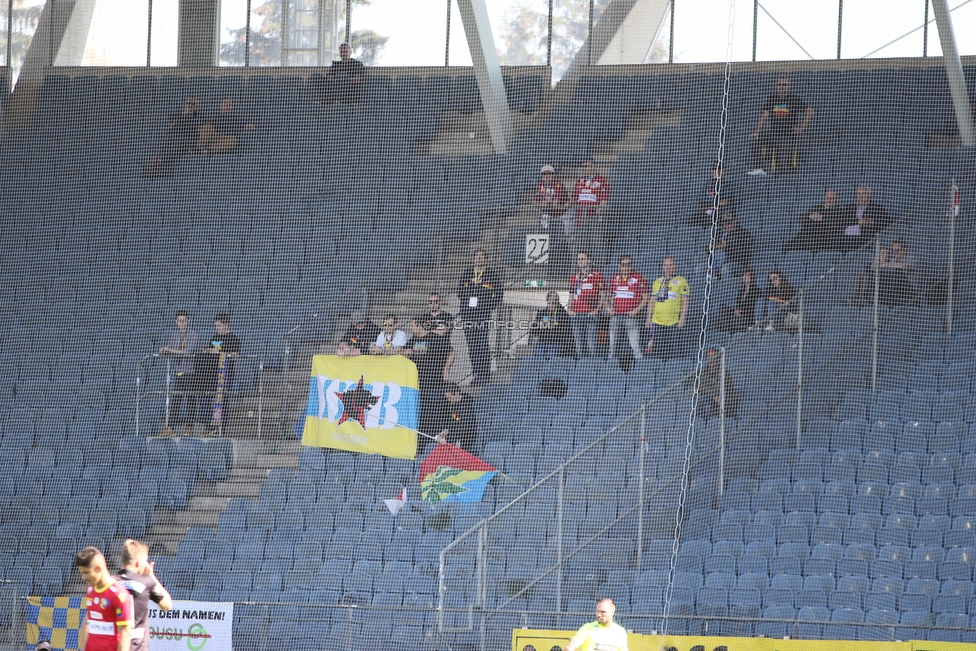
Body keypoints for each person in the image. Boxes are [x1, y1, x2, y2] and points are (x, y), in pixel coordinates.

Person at [116, 539, 173, 651]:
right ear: (138, 563)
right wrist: (151, 575)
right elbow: (167, 605)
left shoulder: (109, 583)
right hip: (137, 647)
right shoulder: (145, 582)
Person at [749, 77, 814, 174]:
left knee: (783, 165)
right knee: (755, 139)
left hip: (788, 135)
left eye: (784, 85)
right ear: (776, 86)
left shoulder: (794, 99)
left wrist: (801, 128)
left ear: (788, 86)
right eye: (780, 85)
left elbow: (809, 112)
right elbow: (765, 116)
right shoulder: (771, 99)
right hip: (773, 133)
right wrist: (757, 131)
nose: (782, 87)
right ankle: (760, 168)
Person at [457, 249, 502, 385]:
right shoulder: (467, 273)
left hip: (482, 315)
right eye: (477, 257)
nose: (479, 259)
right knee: (472, 346)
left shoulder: (492, 274)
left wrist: (490, 306)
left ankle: (485, 375)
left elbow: (499, 293)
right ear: (473, 259)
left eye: (482, 257)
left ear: (486, 260)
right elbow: (459, 292)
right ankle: (476, 374)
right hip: (467, 315)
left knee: (482, 344)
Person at [405, 316, 456, 435]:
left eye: (413, 325)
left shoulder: (436, 338)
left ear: (419, 326)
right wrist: (405, 352)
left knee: (436, 417)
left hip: (435, 386)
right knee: (422, 419)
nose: (412, 328)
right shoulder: (412, 341)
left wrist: (446, 369)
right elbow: (403, 352)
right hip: (418, 387)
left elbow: (452, 353)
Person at [76, 546, 132, 651]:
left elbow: (125, 635)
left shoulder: (118, 594)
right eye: (82, 573)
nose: (83, 577)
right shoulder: (90, 589)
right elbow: (88, 622)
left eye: (86, 572)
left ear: (98, 569)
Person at [196, 313, 242, 428]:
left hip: (225, 374)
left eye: (220, 325)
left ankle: (221, 428)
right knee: (205, 398)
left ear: (227, 324)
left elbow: (235, 357)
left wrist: (223, 353)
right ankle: (208, 427)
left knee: (223, 400)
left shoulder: (233, 338)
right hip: (211, 374)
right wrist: (207, 350)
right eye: (216, 326)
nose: (218, 328)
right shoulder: (214, 337)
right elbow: (210, 349)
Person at [159, 310, 201, 434]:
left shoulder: (193, 335)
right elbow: (170, 349)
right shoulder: (175, 336)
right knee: (176, 400)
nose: (182, 323)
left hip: (191, 373)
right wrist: (164, 350)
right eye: (179, 321)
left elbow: (187, 352)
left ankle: (189, 427)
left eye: (184, 320)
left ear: (188, 321)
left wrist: (170, 349)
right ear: (176, 322)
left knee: (190, 400)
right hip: (179, 373)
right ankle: (170, 427)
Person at [148, 97, 206, 176]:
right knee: (171, 137)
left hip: (187, 141)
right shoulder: (180, 114)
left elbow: (191, 126)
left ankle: (160, 164)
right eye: (189, 103)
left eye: (193, 104)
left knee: (176, 139)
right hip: (174, 140)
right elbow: (171, 118)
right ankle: (161, 166)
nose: (190, 105)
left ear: (197, 106)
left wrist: (179, 121)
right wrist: (184, 113)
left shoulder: (198, 116)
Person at [646, 256, 690, 360]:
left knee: (675, 349)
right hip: (657, 320)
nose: (667, 267)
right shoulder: (658, 281)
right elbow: (652, 300)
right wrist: (648, 318)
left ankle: (675, 368)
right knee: (658, 349)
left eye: (670, 265)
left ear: (675, 266)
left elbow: (685, 301)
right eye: (665, 265)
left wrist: (682, 319)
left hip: (673, 321)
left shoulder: (681, 280)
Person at [606, 255, 649, 362]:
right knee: (612, 347)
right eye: (624, 265)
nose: (626, 267)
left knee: (635, 347)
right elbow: (606, 295)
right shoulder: (614, 278)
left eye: (629, 264)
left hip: (631, 317)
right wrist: (608, 309)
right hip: (616, 316)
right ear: (619, 266)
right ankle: (609, 368)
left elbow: (646, 297)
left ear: (632, 265)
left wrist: (636, 310)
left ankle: (641, 367)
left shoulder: (639, 278)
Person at [850, 240, 916, 307]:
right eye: (894, 251)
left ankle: (865, 300)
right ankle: (855, 300)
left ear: (904, 250)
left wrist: (884, 264)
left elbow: (904, 266)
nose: (895, 253)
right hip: (891, 287)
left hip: (907, 288)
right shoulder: (893, 260)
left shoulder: (911, 258)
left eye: (897, 250)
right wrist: (879, 262)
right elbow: (875, 267)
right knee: (860, 277)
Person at [568, 251, 605, 358]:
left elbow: (602, 295)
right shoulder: (574, 277)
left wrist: (597, 310)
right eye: (579, 259)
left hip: (590, 315)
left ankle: (593, 369)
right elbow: (571, 296)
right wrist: (570, 310)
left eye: (583, 259)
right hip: (576, 315)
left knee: (592, 346)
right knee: (579, 347)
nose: (580, 261)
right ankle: (582, 370)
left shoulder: (597, 275)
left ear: (589, 260)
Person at [838, 185, 891, 252]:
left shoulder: (876, 208)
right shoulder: (849, 207)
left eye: (863, 193)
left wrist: (872, 222)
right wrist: (858, 221)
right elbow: (842, 221)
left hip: (864, 239)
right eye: (859, 194)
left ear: (869, 195)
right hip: (847, 239)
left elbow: (887, 221)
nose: (861, 196)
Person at [564, 599, 628, 651]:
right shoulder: (587, 628)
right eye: (597, 611)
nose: (599, 615)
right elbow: (569, 648)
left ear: (612, 612)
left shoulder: (620, 632)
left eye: (603, 612)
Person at [692, 348, 739, 420]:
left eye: (714, 357)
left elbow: (724, 390)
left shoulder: (724, 373)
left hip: (721, 404)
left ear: (719, 359)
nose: (711, 359)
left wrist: (704, 390)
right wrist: (711, 394)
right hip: (707, 401)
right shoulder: (703, 372)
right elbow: (699, 388)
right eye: (709, 357)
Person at [572, 157, 610, 241]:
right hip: (580, 217)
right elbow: (574, 197)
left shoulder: (602, 180)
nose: (584, 168)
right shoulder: (579, 181)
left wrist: (600, 210)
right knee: (580, 241)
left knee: (595, 241)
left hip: (594, 217)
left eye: (586, 166)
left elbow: (604, 199)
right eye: (583, 166)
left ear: (593, 166)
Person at [707, 213, 754, 278]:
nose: (726, 225)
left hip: (736, 263)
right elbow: (708, 247)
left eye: (729, 223)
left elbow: (732, 246)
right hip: (716, 262)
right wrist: (718, 246)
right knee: (700, 269)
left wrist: (719, 246)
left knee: (725, 269)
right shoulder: (719, 232)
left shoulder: (742, 233)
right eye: (725, 223)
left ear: (735, 222)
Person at [434, 383, 477, 452]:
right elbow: (455, 422)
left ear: (457, 393)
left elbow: (463, 427)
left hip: (467, 440)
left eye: (450, 397)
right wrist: (446, 431)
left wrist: (448, 438)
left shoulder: (466, 406)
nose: (449, 400)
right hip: (456, 437)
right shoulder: (454, 406)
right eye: (448, 398)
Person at [532, 291, 574, 360]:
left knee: (551, 353)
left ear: (557, 303)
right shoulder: (541, 313)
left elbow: (566, 331)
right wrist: (541, 327)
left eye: (553, 303)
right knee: (538, 352)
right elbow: (533, 330)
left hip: (557, 341)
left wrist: (553, 327)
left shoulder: (563, 314)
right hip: (543, 341)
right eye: (549, 303)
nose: (551, 306)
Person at [693, 162, 736, 228]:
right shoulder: (708, 184)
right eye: (715, 170)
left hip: (723, 214)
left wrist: (720, 203)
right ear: (712, 172)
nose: (717, 172)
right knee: (694, 219)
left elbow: (728, 201)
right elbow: (701, 199)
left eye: (719, 170)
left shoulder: (730, 185)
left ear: (724, 171)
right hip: (708, 213)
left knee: (727, 221)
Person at [717, 267, 760, 333]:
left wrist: (741, 311)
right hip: (739, 314)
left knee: (729, 319)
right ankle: (727, 327)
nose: (745, 277)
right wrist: (736, 310)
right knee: (722, 307)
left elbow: (753, 307)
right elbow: (738, 305)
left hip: (748, 315)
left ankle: (728, 327)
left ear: (752, 277)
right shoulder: (741, 291)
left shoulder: (756, 290)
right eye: (744, 275)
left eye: (748, 275)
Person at [533, 164, 571, 233]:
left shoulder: (558, 184)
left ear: (553, 175)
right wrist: (543, 204)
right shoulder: (540, 186)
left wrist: (544, 204)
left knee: (561, 236)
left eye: (549, 174)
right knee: (543, 231)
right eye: (544, 174)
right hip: (546, 213)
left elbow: (555, 203)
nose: (546, 176)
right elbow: (535, 202)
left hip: (560, 214)